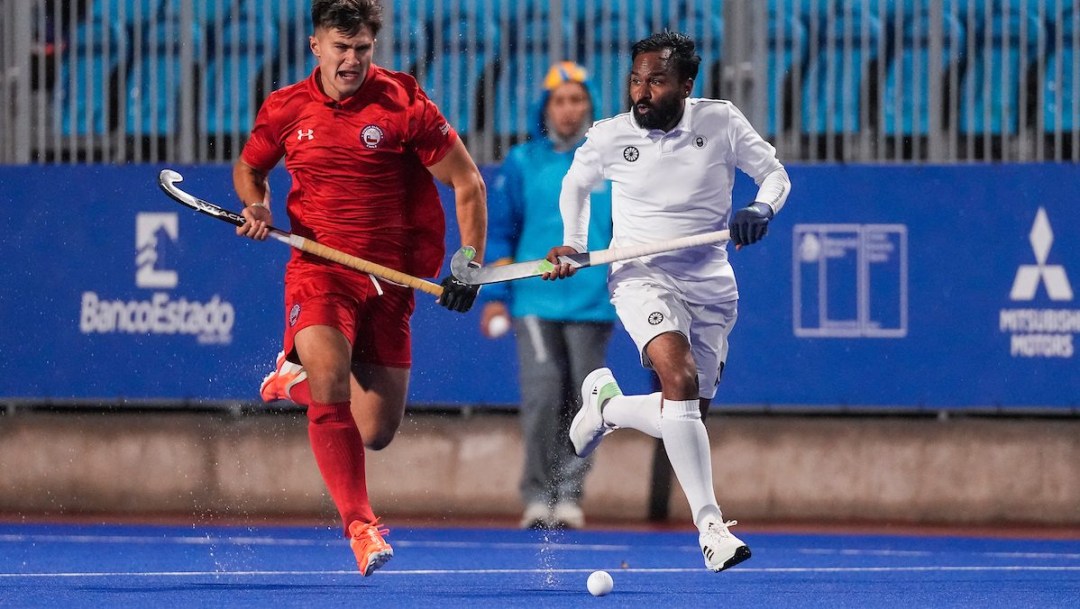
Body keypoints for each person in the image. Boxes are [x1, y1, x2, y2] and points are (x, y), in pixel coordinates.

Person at [232, 0, 486, 576]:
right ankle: (361, 527)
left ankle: (288, 381)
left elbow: (467, 182)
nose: (352, 60)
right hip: (320, 270)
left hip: (391, 281)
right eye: (341, 48)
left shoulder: (403, 104)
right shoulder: (286, 108)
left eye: (363, 49)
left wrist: (467, 262)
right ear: (316, 46)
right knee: (329, 375)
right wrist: (257, 204)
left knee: (374, 431)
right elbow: (251, 168)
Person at [544, 32, 791, 572]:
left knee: (686, 413)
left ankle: (606, 409)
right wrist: (577, 243)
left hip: (710, 282)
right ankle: (710, 527)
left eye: (656, 80)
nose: (642, 91)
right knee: (677, 379)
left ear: (685, 84)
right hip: (640, 274)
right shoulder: (610, 136)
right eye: (636, 79)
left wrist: (762, 207)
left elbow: (774, 174)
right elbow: (576, 185)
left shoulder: (721, 122)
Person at [480, 62, 615, 530]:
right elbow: (499, 234)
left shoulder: (612, 161)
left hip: (595, 301)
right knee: (542, 398)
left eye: (577, 99)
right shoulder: (521, 163)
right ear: (546, 107)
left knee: (589, 403)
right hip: (533, 300)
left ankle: (570, 495)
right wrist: (492, 297)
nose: (568, 109)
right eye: (560, 100)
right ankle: (538, 495)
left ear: (590, 106)